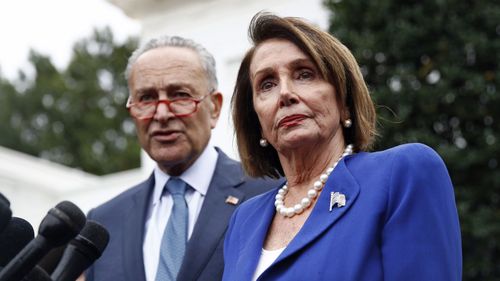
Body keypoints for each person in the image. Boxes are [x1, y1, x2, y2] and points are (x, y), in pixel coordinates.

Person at [223, 12, 462, 281]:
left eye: (304, 74)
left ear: (344, 102)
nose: (285, 93)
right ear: (256, 118)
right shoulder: (244, 219)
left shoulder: (402, 173)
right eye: (267, 84)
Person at [85, 35, 279, 281]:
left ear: (215, 107)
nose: (162, 113)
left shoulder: (271, 196)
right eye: (146, 98)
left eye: (179, 95)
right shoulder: (103, 223)